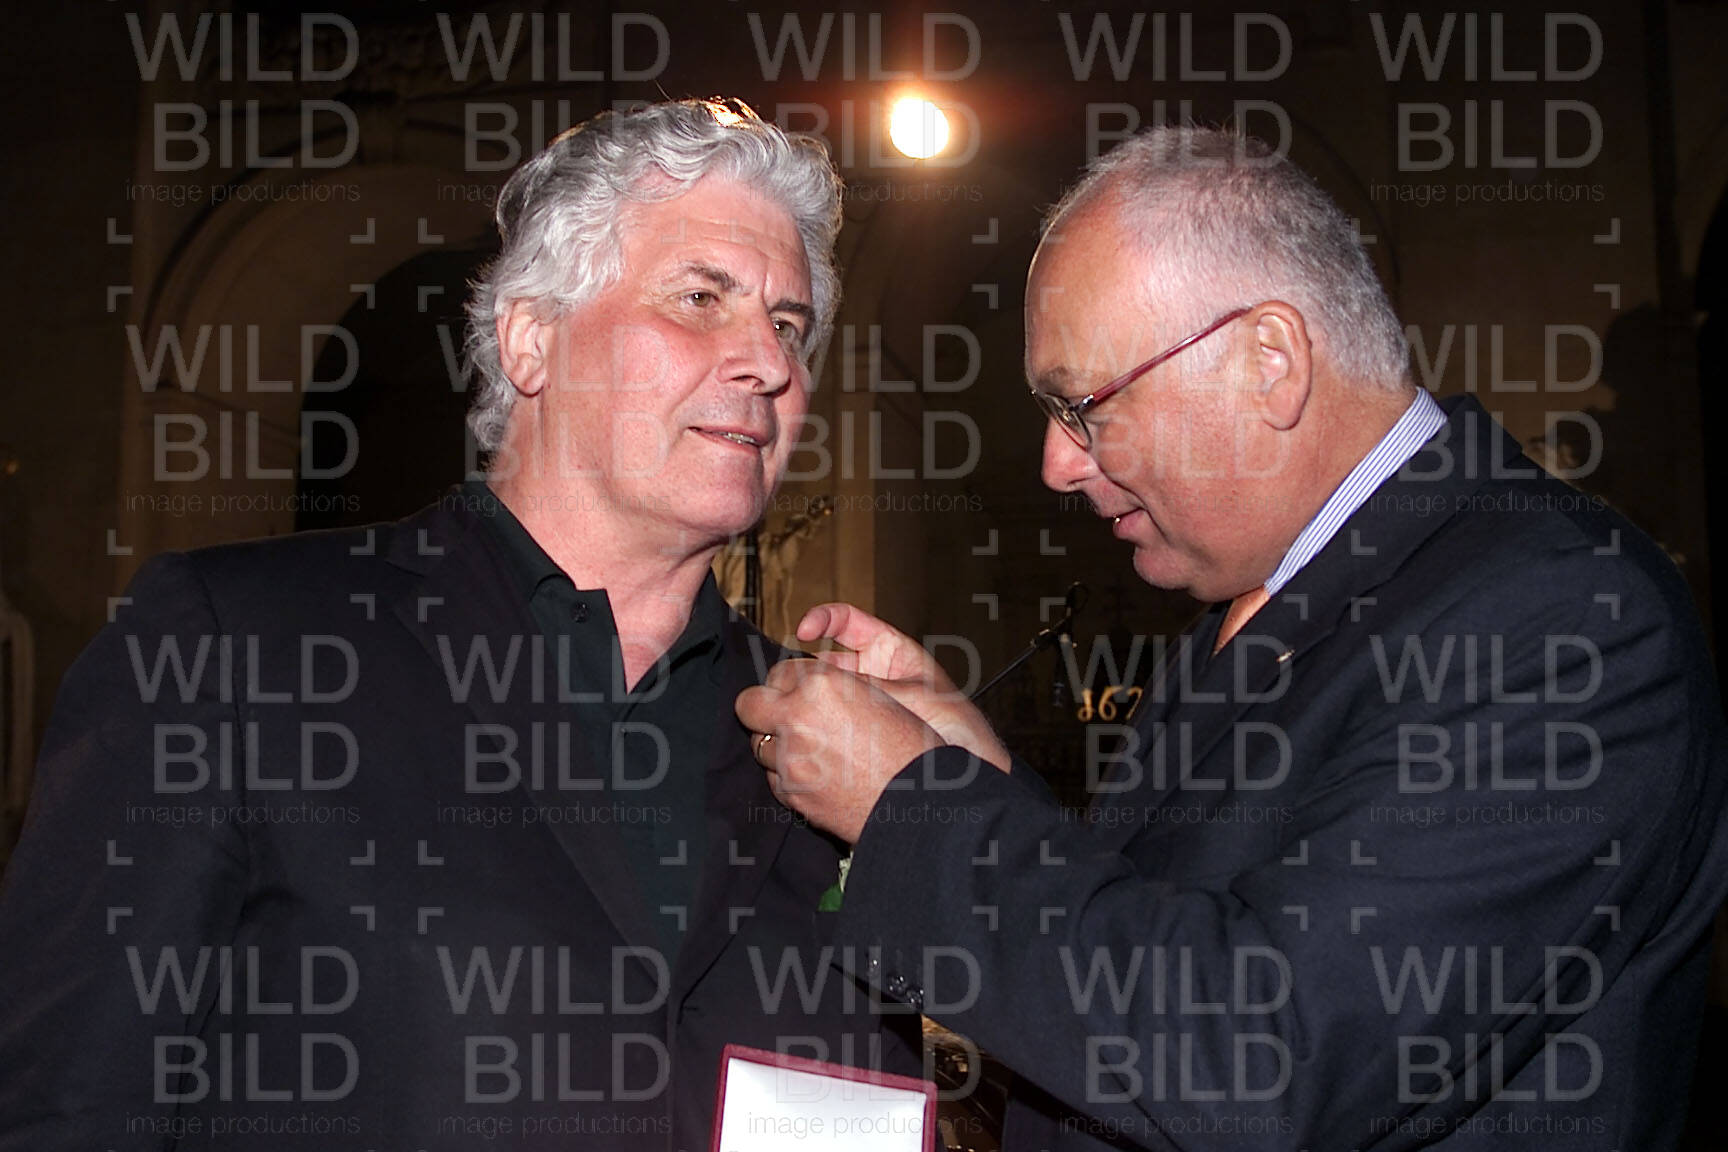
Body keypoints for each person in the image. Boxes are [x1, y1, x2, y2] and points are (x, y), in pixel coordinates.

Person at [738, 126, 1728, 1149]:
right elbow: (1172, 930)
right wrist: (975, 781)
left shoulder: (1564, 620)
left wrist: (913, 810)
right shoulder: (1273, 594)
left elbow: (1264, 1059)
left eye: (1083, 405)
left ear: (1270, 361)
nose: (1056, 465)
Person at [0, 98, 921, 1151]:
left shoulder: (835, 741)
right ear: (531, 341)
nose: (768, 360)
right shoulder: (235, 649)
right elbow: (67, 1109)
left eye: (789, 325)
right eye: (701, 297)